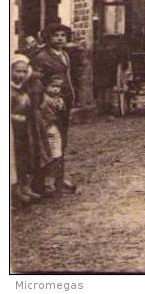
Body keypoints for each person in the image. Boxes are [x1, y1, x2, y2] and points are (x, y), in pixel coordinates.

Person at [29, 23, 76, 193]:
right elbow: (37, 83)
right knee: (47, 140)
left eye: (63, 35)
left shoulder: (64, 55)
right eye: (56, 35)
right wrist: (47, 100)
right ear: (48, 38)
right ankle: (42, 181)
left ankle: (59, 177)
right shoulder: (41, 57)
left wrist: (70, 96)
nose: (60, 39)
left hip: (63, 103)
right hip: (49, 106)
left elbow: (67, 78)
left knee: (62, 139)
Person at [10, 55, 42, 205]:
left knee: (24, 156)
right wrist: (14, 117)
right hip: (11, 129)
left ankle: (24, 186)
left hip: (23, 128)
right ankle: (14, 191)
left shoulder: (24, 88)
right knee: (13, 159)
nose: (21, 75)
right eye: (17, 72)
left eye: (24, 72)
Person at [38, 78, 67, 196]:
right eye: (53, 86)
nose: (56, 89)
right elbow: (42, 116)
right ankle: (46, 184)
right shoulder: (43, 100)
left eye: (58, 87)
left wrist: (61, 105)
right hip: (46, 128)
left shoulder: (58, 99)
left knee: (56, 157)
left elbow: (61, 113)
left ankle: (50, 182)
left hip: (54, 127)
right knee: (48, 157)